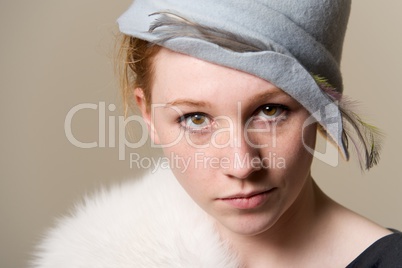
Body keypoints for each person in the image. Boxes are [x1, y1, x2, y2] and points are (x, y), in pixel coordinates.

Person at [32, 0, 402, 267]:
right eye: (195, 118)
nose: (242, 165)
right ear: (147, 114)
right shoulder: (101, 256)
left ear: (319, 111)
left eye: (270, 111)